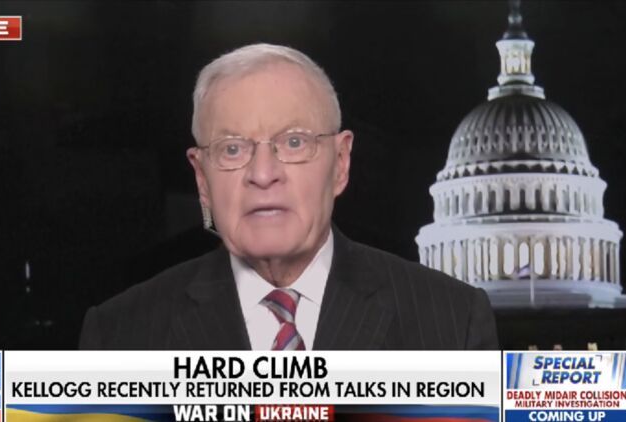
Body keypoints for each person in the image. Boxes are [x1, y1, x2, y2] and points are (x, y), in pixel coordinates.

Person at [78, 43, 498, 350]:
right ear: (202, 178)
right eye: (232, 149)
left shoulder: (452, 322)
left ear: (340, 163)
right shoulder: (119, 335)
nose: (263, 174)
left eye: (294, 143)